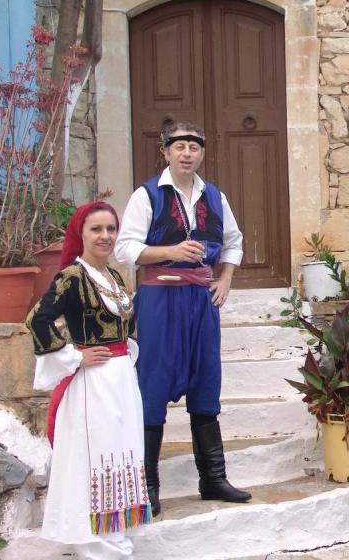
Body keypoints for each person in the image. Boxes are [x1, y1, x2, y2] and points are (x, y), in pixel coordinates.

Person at [115, 116, 250, 517]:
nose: (186, 153)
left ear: (202, 153)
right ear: (166, 151)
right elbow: (126, 248)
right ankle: (147, 486)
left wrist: (224, 280)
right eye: (179, 146)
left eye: (194, 147)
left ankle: (212, 478)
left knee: (206, 380)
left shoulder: (215, 197)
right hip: (159, 298)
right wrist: (170, 252)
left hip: (201, 300)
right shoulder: (147, 196)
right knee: (154, 383)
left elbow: (233, 243)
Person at [27, 202, 149, 560]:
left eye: (111, 229)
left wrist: (127, 350)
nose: (105, 236)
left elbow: (126, 326)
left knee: (123, 451)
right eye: (96, 229)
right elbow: (38, 319)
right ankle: (96, 543)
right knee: (98, 458)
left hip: (121, 381)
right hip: (93, 385)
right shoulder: (72, 277)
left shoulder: (115, 276)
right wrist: (74, 357)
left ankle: (116, 532)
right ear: (80, 233)